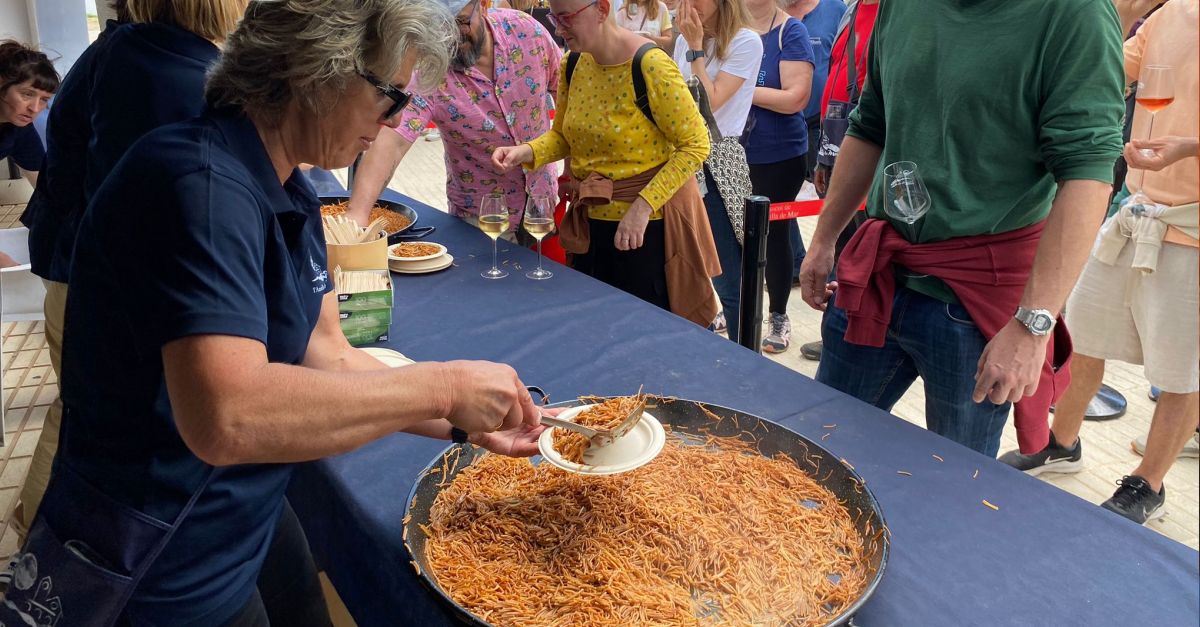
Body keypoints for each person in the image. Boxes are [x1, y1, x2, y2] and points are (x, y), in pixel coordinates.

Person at [3, 1, 546, 625]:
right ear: (318, 74)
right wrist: (443, 386)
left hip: (243, 504)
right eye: (390, 96)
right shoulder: (198, 184)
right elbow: (228, 416)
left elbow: (329, 355)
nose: (398, 119)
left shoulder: (285, 185)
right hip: (161, 546)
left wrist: (464, 422)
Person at [798, 0, 1124, 458]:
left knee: (955, 478)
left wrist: (1033, 326)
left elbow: (1088, 173)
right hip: (881, 276)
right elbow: (871, 122)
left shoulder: (1075, 13)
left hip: (975, 302)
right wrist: (823, 240)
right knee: (818, 448)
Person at [13, 0, 245, 541]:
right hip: (86, 273)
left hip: (75, 260)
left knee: (81, 409)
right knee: (81, 415)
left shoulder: (131, 48)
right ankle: (38, 541)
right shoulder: (163, 70)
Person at [999, 0, 1197, 526]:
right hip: (1137, 209)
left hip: (1194, 227)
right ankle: (1062, 443)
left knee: (1183, 370)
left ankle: (1149, 483)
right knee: (1083, 332)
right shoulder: (1171, 15)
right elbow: (1110, 69)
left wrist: (1189, 148)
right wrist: (1119, 15)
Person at [493, 0, 718, 327]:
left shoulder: (651, 65)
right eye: (554, 18)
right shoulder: (572, 63)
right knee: (594, 328)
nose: (558, 29)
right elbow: (564, 137)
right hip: (590, 228)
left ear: (601, 9)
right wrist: (524, 152)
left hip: (644, 233)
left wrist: (642, 207)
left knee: (643, 332)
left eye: (566, 18)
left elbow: (696, 145)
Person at [347, 0, 561, 243]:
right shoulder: (429, 70)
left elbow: (565, 92)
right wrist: (358, 214)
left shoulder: (527, 31)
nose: (451, 37)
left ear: (482, 6)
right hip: (481, 221)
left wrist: (574, 174)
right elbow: (391, 143)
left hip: (542, 203)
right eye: (440, 26)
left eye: (461, 22)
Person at [673, 0, 762, 344]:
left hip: (717, 164)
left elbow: (707, 103)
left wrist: (695, 48)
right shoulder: (683, 39)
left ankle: (744, 355)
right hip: (681, 160)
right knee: (688, 271)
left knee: (728, 278)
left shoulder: (745, 41)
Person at [797, 0, 878, 361]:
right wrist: (824, 157)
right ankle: (836, 332)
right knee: (840, 251)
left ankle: (852, 337)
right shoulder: (853, 10)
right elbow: (836, 79)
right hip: (835, 140)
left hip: (867, 153)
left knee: (861, 254)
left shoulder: (897, 12)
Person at [742, 0, 813, 353]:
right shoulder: (730, 30)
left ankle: (778, 315)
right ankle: (735, 304)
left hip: (779, 154)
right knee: (732, 234)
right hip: (733, 151)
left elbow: (796, 98)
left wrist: (737, 88)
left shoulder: (790, 31)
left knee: (775, 234)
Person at [0, 41, 57, 188]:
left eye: (44, 99)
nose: (35, 108)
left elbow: (44, 186)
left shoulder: (19, 130)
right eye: (27, 94)